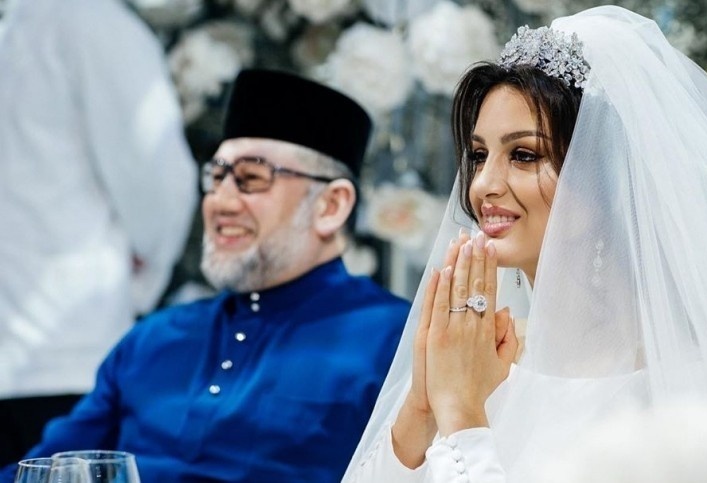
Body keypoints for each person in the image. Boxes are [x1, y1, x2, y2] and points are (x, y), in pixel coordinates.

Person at [343, 6, 707, 482]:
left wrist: (461, 417)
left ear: (603, 181)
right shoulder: (473, 356)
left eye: (524, 155)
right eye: (479, 156)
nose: (483, 185)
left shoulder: (687, 393)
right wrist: (422, 409)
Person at [0, 69, 410, 483]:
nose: (220, 202)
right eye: (216, 178)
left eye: (251, 179)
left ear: (331, 205)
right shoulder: (153, 339)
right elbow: (42, 470)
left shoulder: (395, 342)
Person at [0, 0, 197, 465]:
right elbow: (160, 187)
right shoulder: (92, 23)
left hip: (59, 358)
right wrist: (143, 281)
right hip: (65, 354)